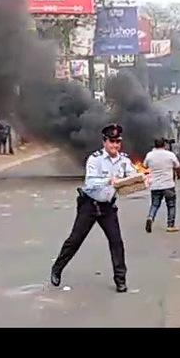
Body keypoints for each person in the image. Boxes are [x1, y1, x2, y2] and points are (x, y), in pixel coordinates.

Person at [50, 124, 138, 293]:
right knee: (74, 240)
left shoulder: (124, 160)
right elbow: (89, 184)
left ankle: (120, 280)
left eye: (117, 142)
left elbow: (132, 176)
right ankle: (57, 268)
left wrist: (142, 180)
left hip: (108, 208)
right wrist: (108, 181)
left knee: (116, 242)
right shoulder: (95, 159)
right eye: (111, 142)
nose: (115, 146)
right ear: (104, 142)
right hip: (89, 205)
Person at [143, 137, 180, 233]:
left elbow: (145, 165)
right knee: (171, 205)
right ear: (164, 144)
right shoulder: (169, 154)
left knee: (155, 204)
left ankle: (150, 217)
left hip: (155, 185)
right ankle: (170, 225)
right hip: (168, 184)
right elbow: (177, 165)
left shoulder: (150, 155)